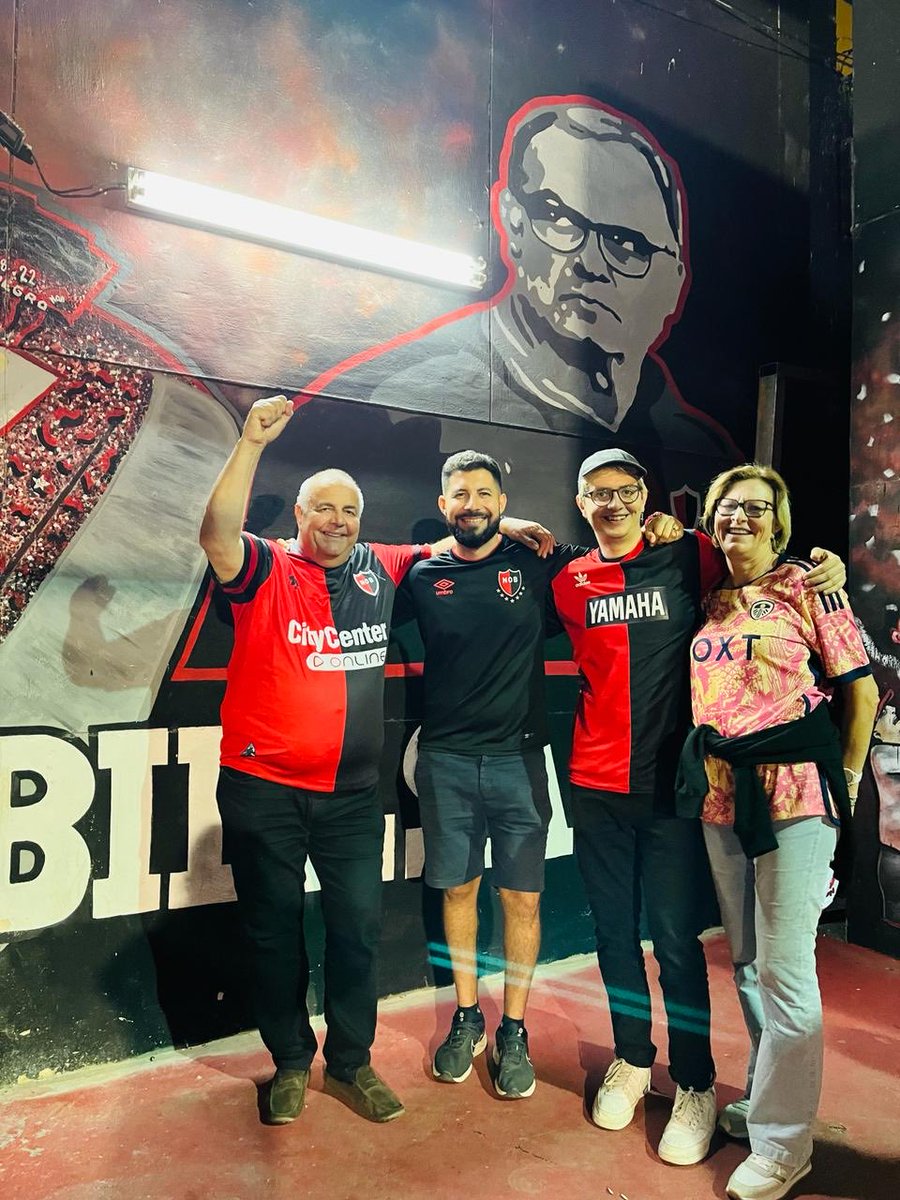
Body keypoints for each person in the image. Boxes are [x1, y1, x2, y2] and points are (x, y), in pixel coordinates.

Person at [547, 449, 846, 1167]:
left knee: (678, 944)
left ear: (647, 497)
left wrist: (819, 566)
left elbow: (762, 561)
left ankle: (695, 1083)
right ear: (582, 502)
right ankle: (628, 1056)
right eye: (597, 493)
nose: (612, 503)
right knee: (614, 936)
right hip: (594, 786)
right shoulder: (565, 579)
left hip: (675, 790)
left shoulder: (690, 560)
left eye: (625, 490)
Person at [302, 97, 740, 509]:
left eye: (627, 244)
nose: (589, 263)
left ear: (673, 281)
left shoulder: (702, 454)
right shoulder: (386, 408)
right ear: (514, 224)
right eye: (561, 221)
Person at [199, 394, 427, 1126]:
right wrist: (251, 443)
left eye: (349, 511)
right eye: (323, 508)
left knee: (357, 931)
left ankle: (352, 1065)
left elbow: (459, 548)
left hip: (353, 798)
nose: (337, 522)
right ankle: (291, 1063)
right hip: (263, 791)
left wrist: (512, 524)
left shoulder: (381, 567)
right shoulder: (263, 567)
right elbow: (215, 532)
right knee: (273, 933)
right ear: (299, 515)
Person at [676, 464, 877, 1200]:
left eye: (758, 508)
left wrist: (845, 787)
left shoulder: (808, 587)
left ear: (778, 520)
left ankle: (787, 1143)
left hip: (796, 796)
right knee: (751, 965)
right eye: (729, 506)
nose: (741, 518)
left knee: (788, 971)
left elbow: (859, 692)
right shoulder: (708, 595)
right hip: (723, 800)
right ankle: (769, 1103)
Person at [404, 450, 575, 1100]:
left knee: (522, 899)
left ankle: (516, 1030)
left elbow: (616, 554)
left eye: (485, 493)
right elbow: (350, 564)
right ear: (444, 504)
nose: (471, 503)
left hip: (520, 761)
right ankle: (468, 1017)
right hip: (446, 763)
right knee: (457, 894)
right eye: (460, 494)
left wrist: (513, 528)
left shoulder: (534, 561)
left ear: (502, 503)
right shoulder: (422, 569)